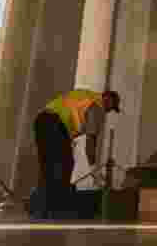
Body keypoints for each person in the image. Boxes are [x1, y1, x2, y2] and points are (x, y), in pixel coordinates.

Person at [34, 89, 120, 218]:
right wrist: (94, 169)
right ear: (107, 98)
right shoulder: (97, 105)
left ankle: (41, 209)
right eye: (111, 107)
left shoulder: (85, 95)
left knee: (48, 167)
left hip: (42, 120)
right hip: (55, 123)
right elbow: (91, 141)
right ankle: (56, 210)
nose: (108, 111)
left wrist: (68, 141)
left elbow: (71, 116)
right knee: (65, 165)